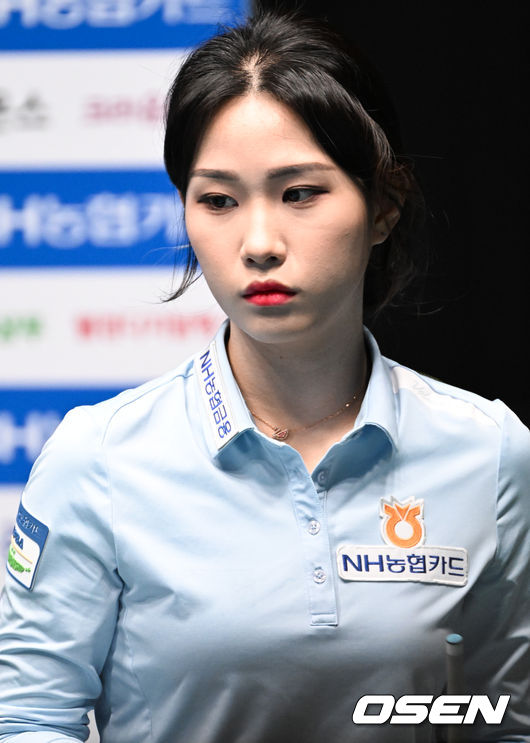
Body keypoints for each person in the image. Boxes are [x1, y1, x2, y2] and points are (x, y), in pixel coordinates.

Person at [0, 7, 529, 743]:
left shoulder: (490, 451)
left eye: (300, 193)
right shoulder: (99, 457)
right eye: (218, 200)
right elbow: (27, 719)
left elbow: (506, 722)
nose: (258, 243)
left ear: (383, 206)